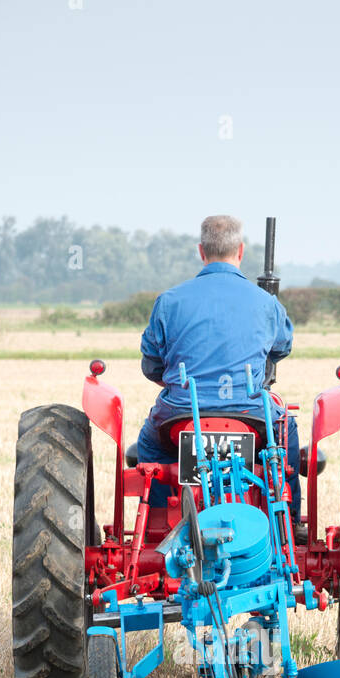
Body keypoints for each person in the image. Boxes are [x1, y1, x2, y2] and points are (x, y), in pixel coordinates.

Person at [135, 214, 305, 538]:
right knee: (285, 433)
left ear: (201, 252)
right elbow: (281, 349)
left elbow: (151, 365)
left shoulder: (169, 301)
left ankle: (158, 530)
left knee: (150, 448)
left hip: (181, 417)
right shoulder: (266, 302)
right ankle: (289, 524)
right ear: (240, 251)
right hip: (249, 415)